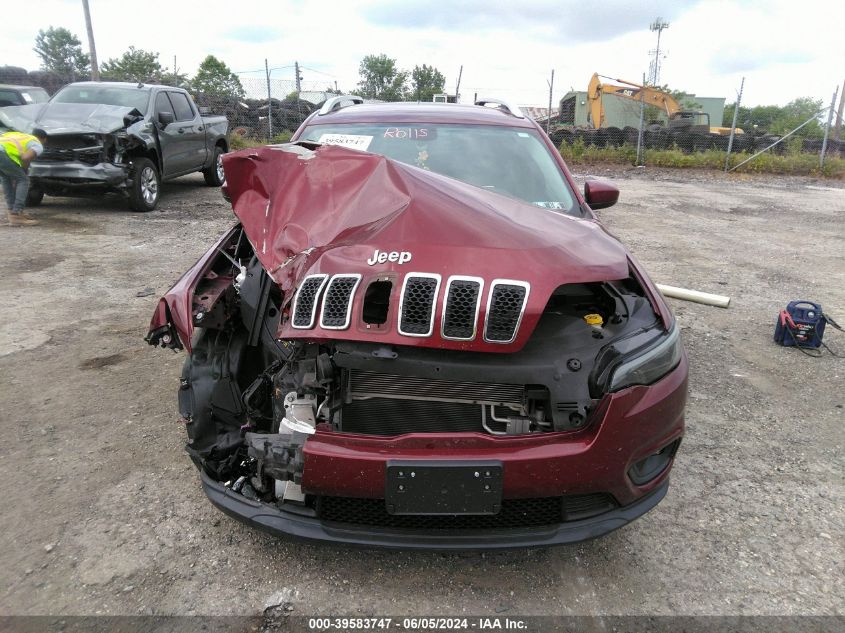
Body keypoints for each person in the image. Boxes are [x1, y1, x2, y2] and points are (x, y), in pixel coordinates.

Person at [0, 127, 47, 226]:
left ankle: (12, 212)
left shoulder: (20, 135)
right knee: (23, 180)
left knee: (6, 179)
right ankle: (17, 214)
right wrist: (24, 170)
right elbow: (26, 158)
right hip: (2, 154)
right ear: (44, 139)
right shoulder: (37, 143)